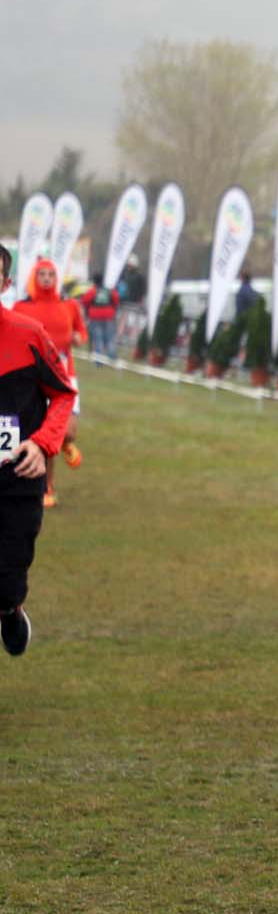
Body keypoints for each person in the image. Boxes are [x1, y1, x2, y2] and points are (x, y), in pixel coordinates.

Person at [0, 248, 75, 656]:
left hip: (19, 477)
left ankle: (10, 609)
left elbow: (63, 395)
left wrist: (43, 443)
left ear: (6, 284)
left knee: (7, 580)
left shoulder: (29, 335)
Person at [13, 259, 87, 507]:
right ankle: (47, 486)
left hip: (66, 371)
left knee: (68, 430)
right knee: (46, 430)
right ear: (34, 277)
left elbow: (81, 333)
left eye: (51, 274)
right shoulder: (21, 307)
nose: (46, 279)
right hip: (37, 375)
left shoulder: (69, 306)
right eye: (42, 274)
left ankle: (67, 442)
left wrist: (78, 338)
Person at [79, 277, 121, 360]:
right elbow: (116, 300)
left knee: (98, 339)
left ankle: (99, 360)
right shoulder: (109, 290)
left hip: (95, 317)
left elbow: (84, 301)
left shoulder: (93, 291)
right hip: (109, 317)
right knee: (110, 338)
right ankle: (112, 357)